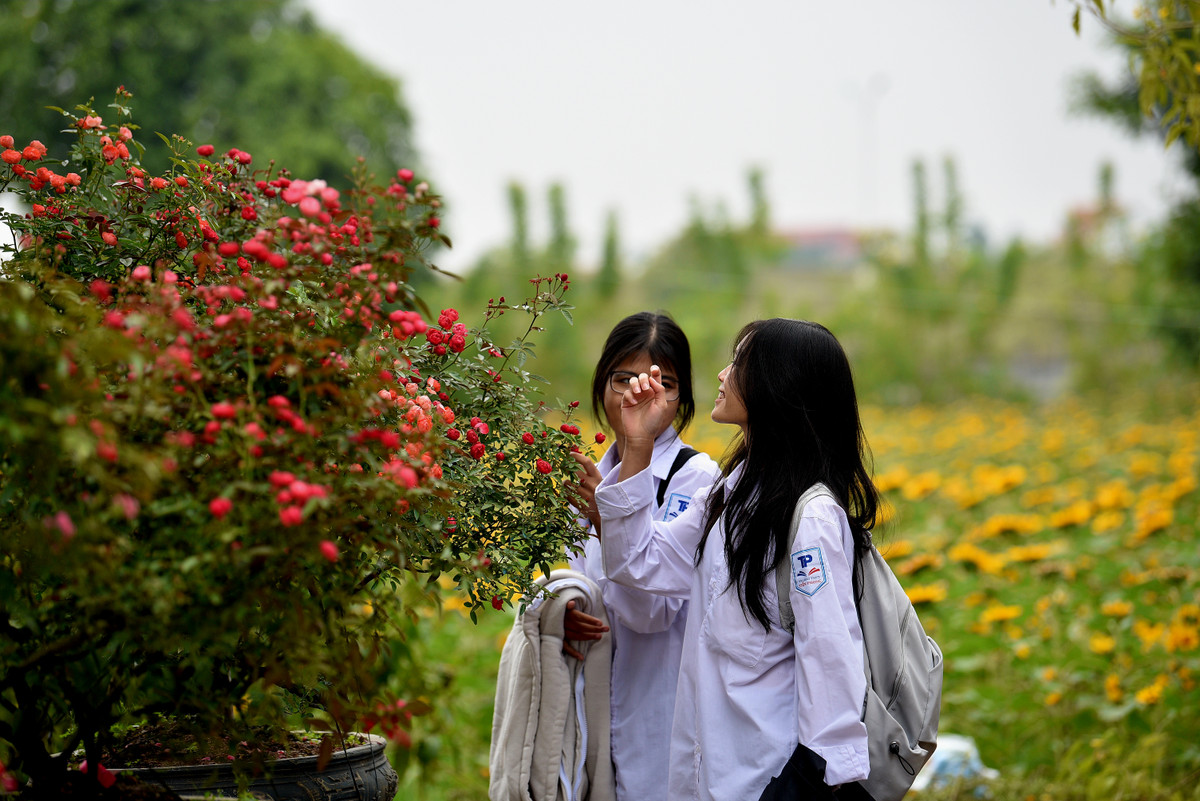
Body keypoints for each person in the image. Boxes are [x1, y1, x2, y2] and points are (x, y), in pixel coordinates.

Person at [592, 318, 880, 801]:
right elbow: (640, 564)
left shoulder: (811, 518)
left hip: (766, 781)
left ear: (776, 385)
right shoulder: (729, 493)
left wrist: (805, 787)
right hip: (707, 776)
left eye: (738, 364)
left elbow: (831, 665)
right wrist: (637, 447)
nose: (722, 375)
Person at [563, 311, 721, 801]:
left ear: (682, 397)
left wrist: (605, 519)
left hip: (660, 713)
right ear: (601, 384)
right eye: (623, 378)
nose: (639, 393)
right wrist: (559, 615)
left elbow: (651, 612)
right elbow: (568, 580)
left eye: (662, 382)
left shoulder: (695, 479)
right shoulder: (589, 476)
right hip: (589, 706)